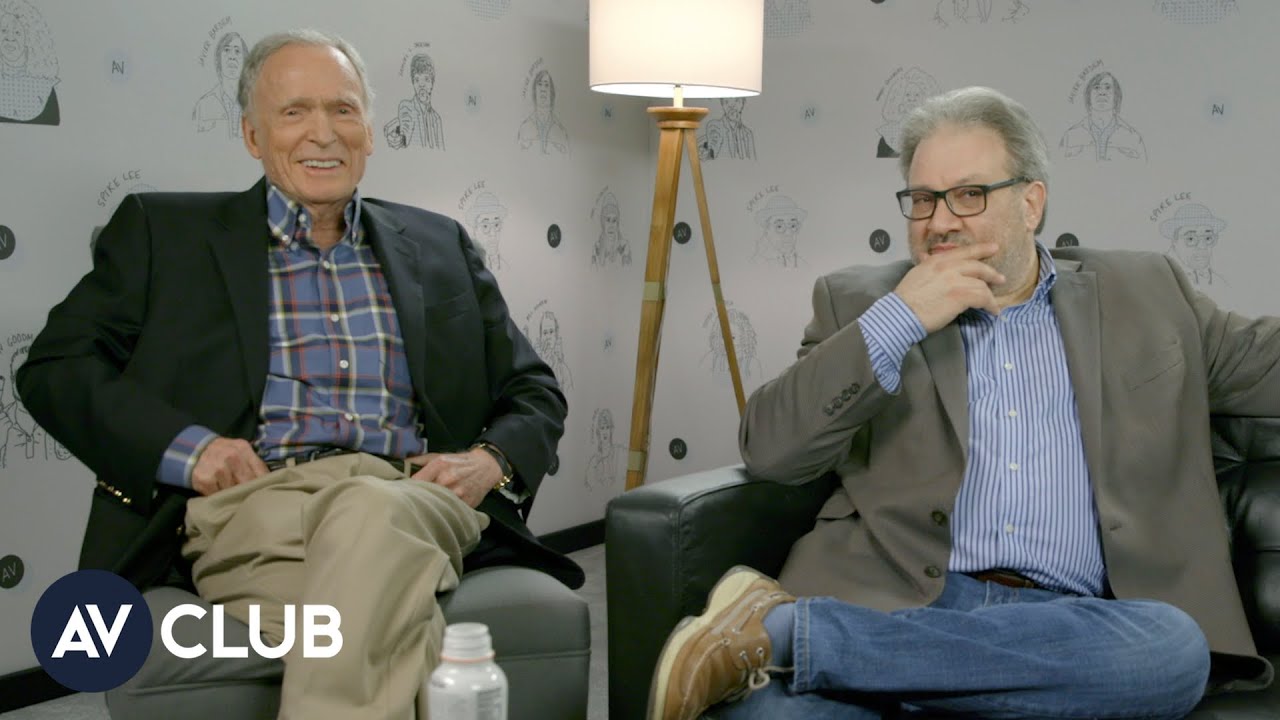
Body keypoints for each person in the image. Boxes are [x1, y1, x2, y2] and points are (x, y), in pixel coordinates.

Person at [647, 86, 1278, 720]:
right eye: (923, 199)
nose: (940, 221)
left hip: (1076, 625)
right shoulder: (856, 301)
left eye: (969, 194)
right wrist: (899, 320)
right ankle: (901, 667)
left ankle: (789, 637)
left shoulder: (1145, 292)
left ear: (1031, 204)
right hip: (897, 603)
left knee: (1172, 651)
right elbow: (770, 451)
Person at [18, 29, 580, 720]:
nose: (324, 133)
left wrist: (487, 462)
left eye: (343, 109)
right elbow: (55, 367)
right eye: (294, 112)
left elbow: (533, 389)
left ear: (369, 131)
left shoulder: (440, 244)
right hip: (254, 506)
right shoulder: (164, 234)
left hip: (410, 494)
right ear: (253, 136)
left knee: (372, 511)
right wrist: (192, 452)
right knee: (382, 611)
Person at [1060, 71, 1147, 162]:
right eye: (1096, 87)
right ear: (1088, 96)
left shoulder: (1132, 137)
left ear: (1116, 96)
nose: (1102, 93)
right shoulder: (1070, 135)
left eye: (1108, 88)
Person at [0, 0, 60, 125]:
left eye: (17, 33)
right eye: (4, 31)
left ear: (29, 38)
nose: (9, 38)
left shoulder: (41, 85)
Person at [192, 31, 248, 138]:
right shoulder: (203, 105)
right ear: (219, 59)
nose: (232, 57)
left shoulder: (257, 105)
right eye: (226, 50)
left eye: (237, 51)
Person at [384, 53, 444, 150]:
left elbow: (442, 149)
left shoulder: (436, 119)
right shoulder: (406, 106)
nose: (421, 84)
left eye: (426, 79)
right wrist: (401, 138)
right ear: (413, 83)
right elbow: (406, 124)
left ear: (432, 83)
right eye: (417, 80)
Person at [1162, 201, 1227, 286]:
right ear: (1175, 242)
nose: (1202, 246)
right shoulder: (1162, 277)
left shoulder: (1219, 282)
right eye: (1191, 239)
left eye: (1208, 238)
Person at [517, 69, 569, 154]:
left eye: (546, 85)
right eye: (539, 84)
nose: (543, 89)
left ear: (552, 93)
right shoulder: (525, 128)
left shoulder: (560, 130)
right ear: (534, 91)